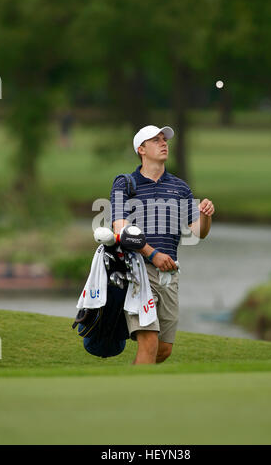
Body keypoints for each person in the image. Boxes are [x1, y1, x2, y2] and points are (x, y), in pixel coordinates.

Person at [110, 125, 215, 365]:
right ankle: (138, 400)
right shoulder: (125, 184)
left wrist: (206, 215)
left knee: (164, 349)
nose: (163, 143)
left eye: (164, 139)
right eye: (155, 140)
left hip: (169, 272)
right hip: (138, 270)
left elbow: (198, 232)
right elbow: (121, 230)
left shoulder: (180, 188)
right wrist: (152, 254)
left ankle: (125, 384)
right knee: (149, 343)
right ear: (141, 149)